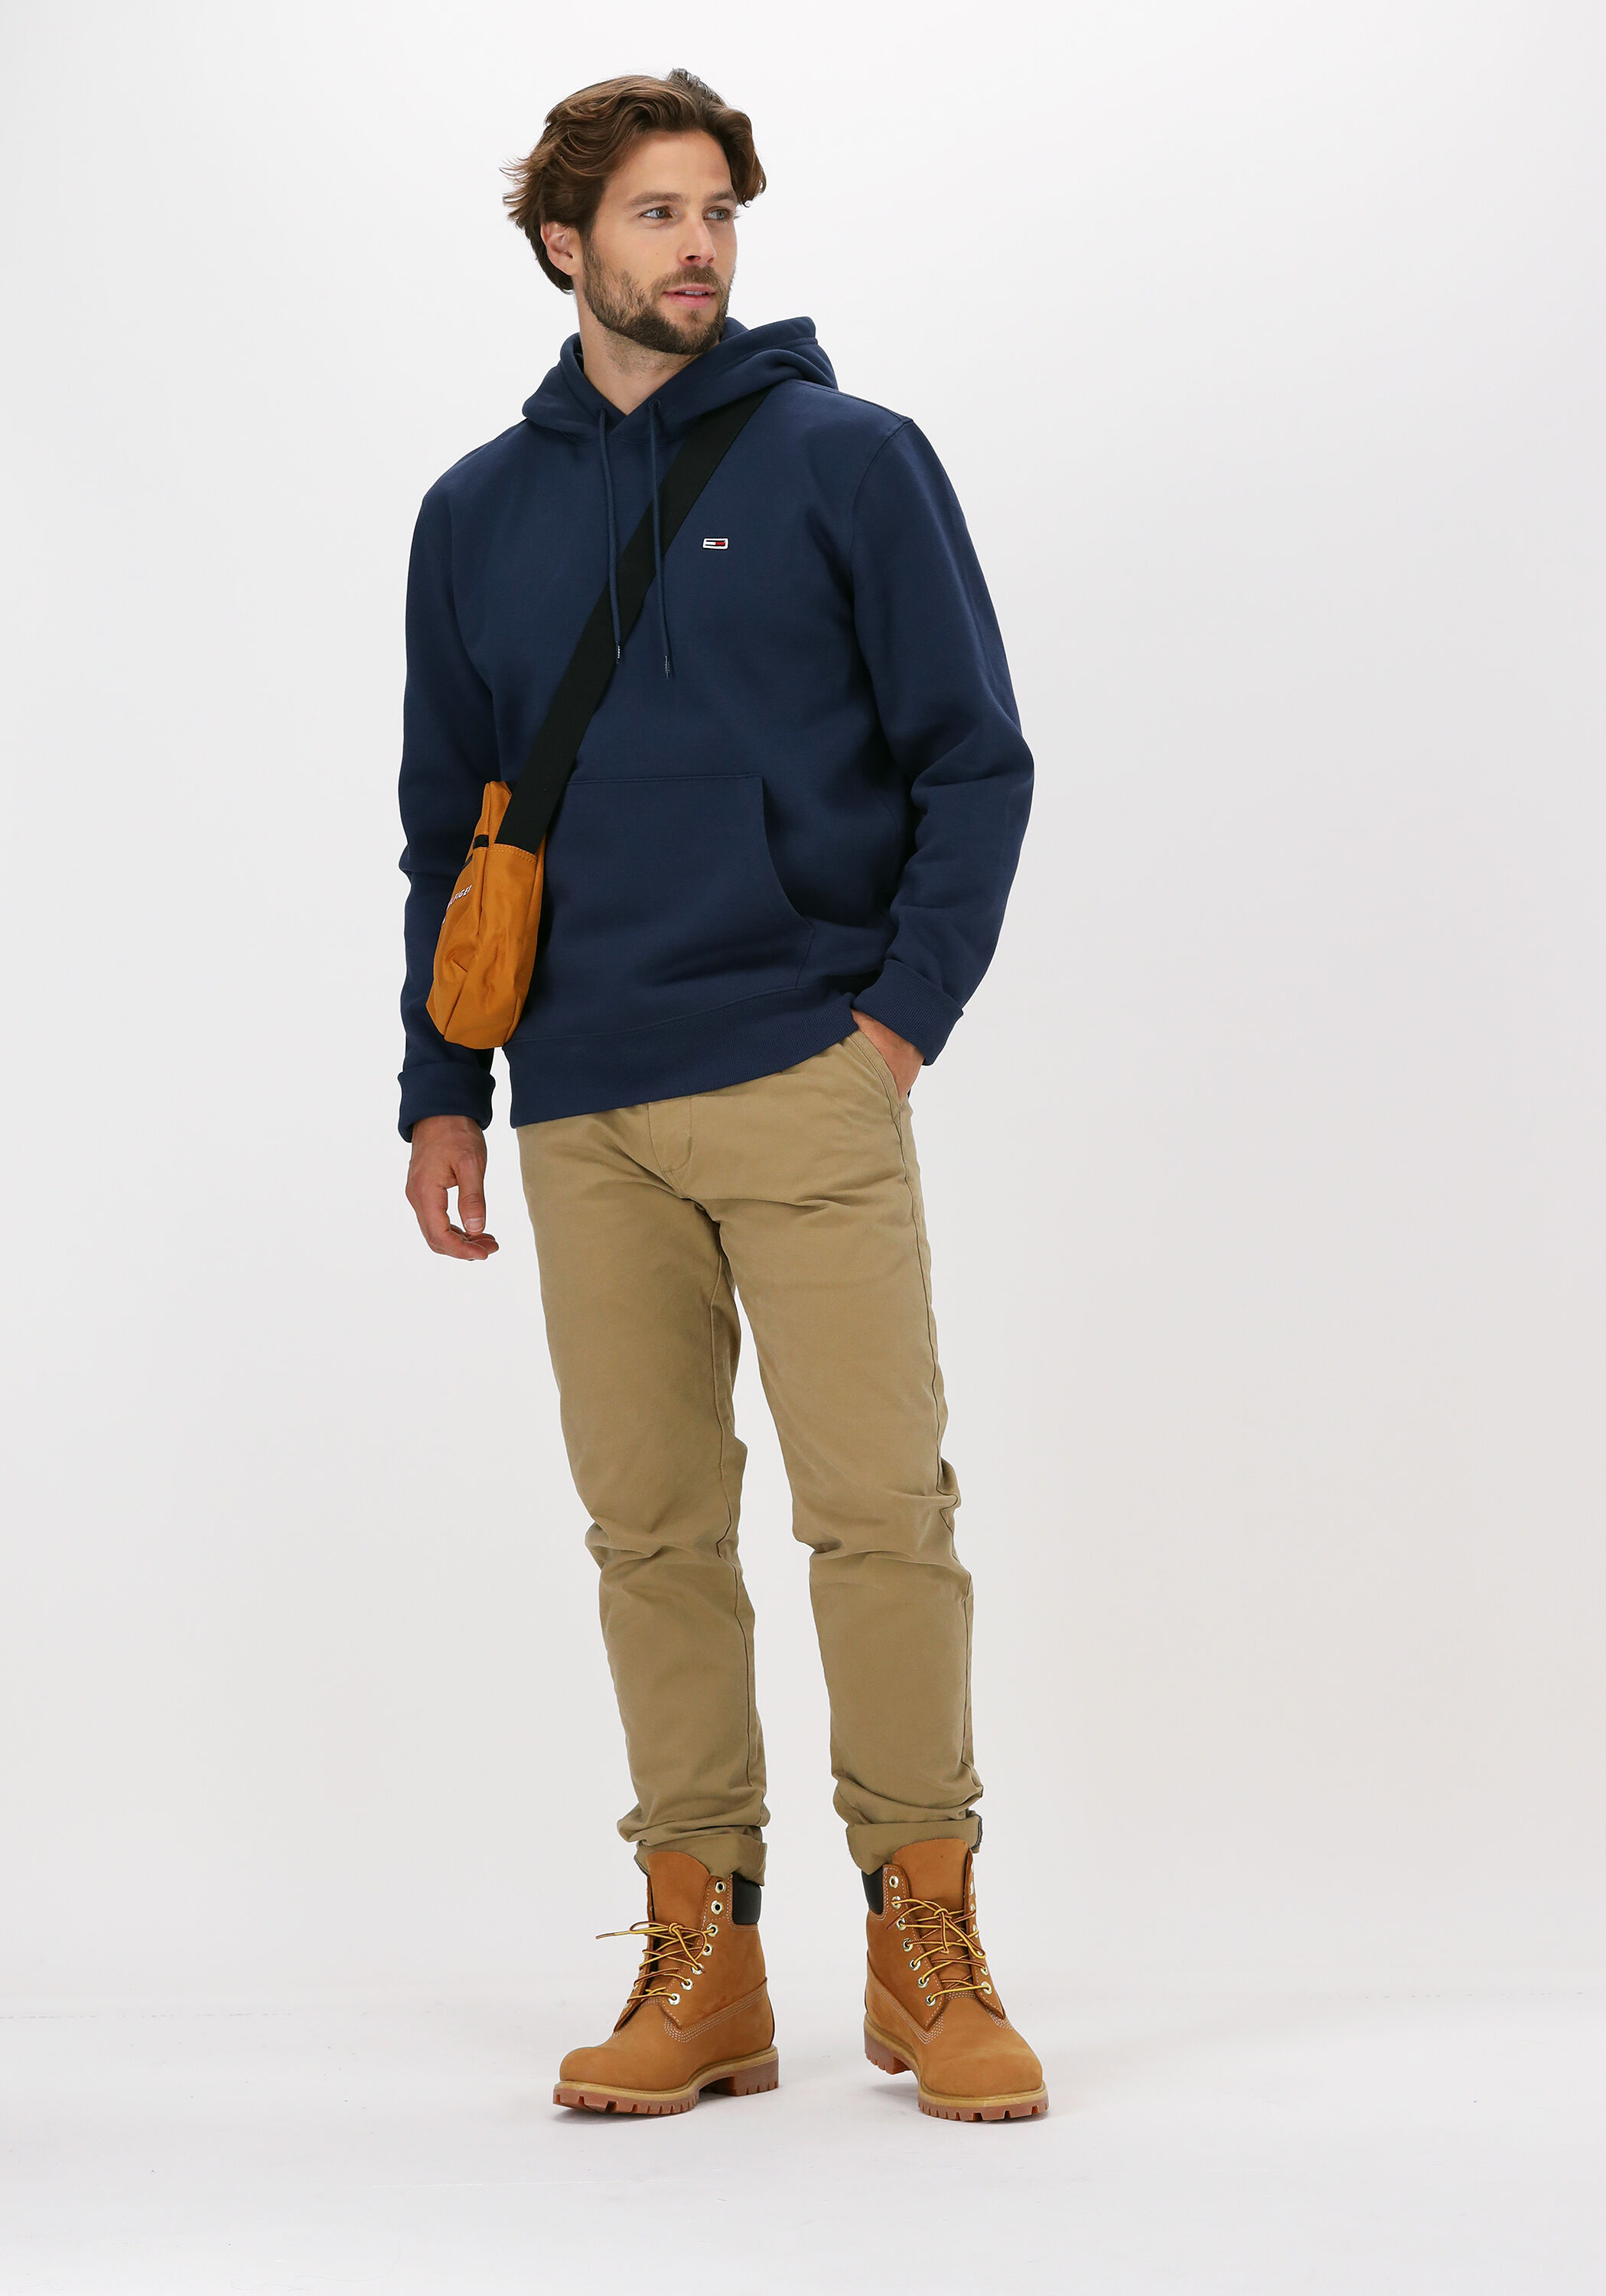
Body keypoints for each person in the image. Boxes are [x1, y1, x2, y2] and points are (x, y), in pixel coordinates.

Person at [397, 68, 1044, 2122]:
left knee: (880, 1516)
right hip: (579, 1101)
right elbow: (447, 824)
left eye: (717, 214)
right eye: (655, 215)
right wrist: (441, 1088)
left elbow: (973, 761)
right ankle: (707, 1959)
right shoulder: (473, 514)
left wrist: (893, 1027)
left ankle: (926, 1947)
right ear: (564, 244)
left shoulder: (849, 458)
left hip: (800, 1070)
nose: (697, 249)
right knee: (651, 1535)